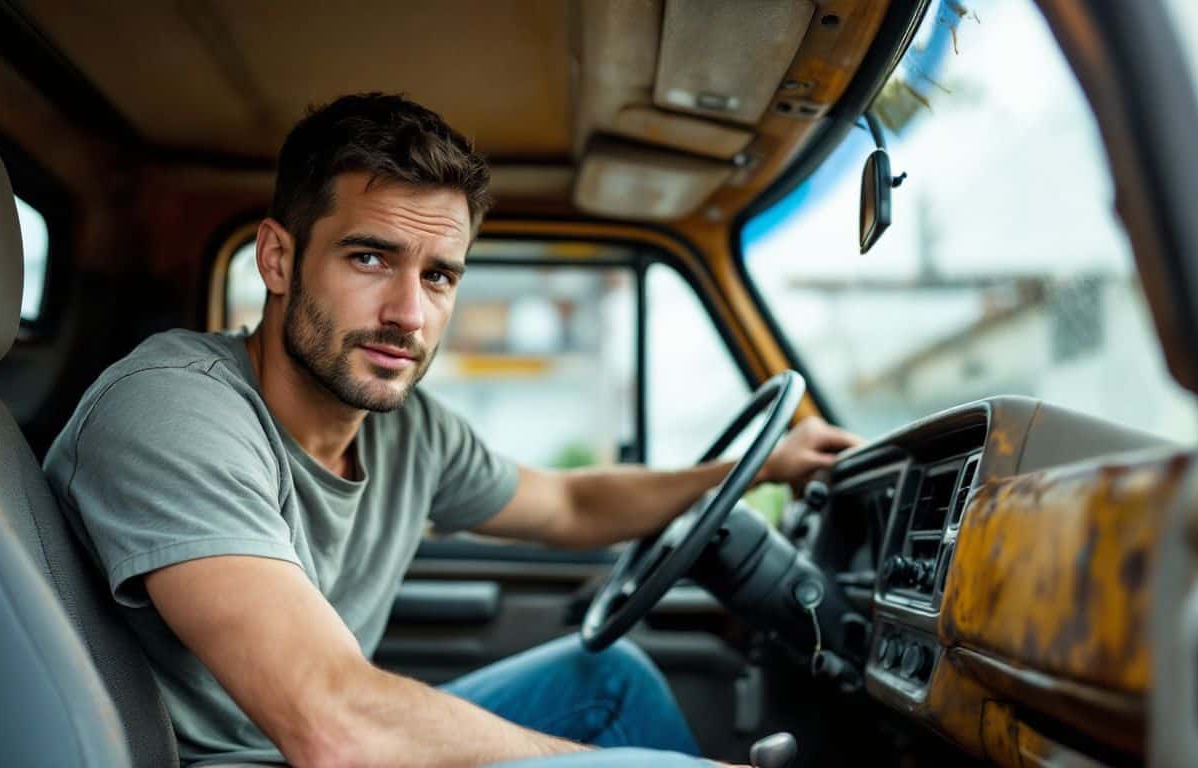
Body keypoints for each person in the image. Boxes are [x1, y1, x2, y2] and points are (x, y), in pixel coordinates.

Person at [44, 92, 860, 768]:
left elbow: (570, 506)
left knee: (609, 678)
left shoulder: (410, 432)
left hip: (306, 741)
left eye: (438, 275)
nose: (408, 314)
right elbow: (333, 724)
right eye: (370, 258)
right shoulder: (170, 410)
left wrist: (749, 470)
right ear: (278, 259)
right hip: (237, 758)